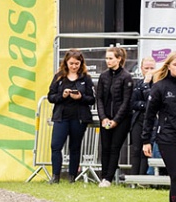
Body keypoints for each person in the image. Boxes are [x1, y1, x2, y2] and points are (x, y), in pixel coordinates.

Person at [142, 51, 176, 202]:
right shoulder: (160, 87)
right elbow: (149, 115)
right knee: (175, 175)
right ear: (168, 66)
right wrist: (146, 140)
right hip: (167, 137)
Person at [46, 49, 96, 184]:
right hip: (61, 116)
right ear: (66, 63)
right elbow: (50, 96)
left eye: (77, 64)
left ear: (81, 64)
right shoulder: (59, 77)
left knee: (75, 147)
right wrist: (62, 96)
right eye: (72, 63)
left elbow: (91, 99)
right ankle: (55, 176)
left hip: (79, 117)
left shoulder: (86, 78)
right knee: (56, 145)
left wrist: (80, 97)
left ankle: (72, 177)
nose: (74, 66)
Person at [95, 46, 134, 187]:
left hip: (121, 120)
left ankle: (109, 178)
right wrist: (103, 117)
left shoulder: (126, 77)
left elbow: (126, 101)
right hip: (106, 118)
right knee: (104, 147)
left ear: (119, 59)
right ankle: (104, 176)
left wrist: (116, 120)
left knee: (114, 147)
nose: (108, 61)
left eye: (111, 58)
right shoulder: (103, 76)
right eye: (106, 58)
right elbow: (99, 98)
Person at [129, 57, 156, 175]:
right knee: (136, 149)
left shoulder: (158, 83)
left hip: (153, 122)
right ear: (141, 69)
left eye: (152, 68)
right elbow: (132, 103)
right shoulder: (138, 83)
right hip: (138, 120)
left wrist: (146, 84)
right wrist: (143, 104)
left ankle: (144, 178)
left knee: (147, 150)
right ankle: (134, 178)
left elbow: (153, 103)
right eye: (146, 68)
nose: (149, 70)